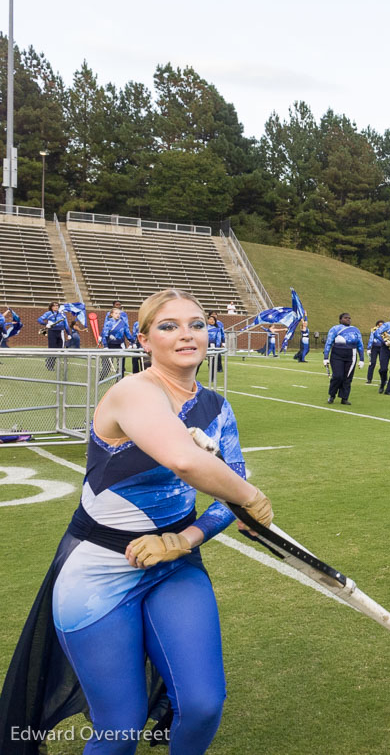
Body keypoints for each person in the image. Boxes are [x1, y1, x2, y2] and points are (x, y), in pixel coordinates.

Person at [0, 288, 274, 755]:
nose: (186, 334)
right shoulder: (132, 393)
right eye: (169, 326)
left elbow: (228, 488)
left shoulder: (218, 408)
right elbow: (188, 462)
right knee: (119, 727)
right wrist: (252, 499)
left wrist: (183, 539)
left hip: (175, 566)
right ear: (144, 340)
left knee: (204, 704)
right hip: (101, 568)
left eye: (196, 324)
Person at [324, 313, 364, 405]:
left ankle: (344, 397)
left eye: (349, 318)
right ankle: (332, 395)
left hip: (351, 355)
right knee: (338, 376)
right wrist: (325, 357)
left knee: (347, 377)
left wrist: (362, 359)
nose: (348, 319)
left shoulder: (356, 330)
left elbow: (360, 344)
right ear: (340, 319)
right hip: (337, 354)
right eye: (346, 318)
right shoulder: (335, 329)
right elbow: (329, 342)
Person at [38, 302, 70, 368]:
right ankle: (50, 365)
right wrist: (46, 324)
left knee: (60, 348)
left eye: (57, 305)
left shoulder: (62, 314)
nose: (56, 307)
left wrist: (68, 334)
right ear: (51, 307)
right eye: (54, 306)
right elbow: (39, 319)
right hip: (52, 332)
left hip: (60, 332)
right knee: (52, 348)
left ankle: (49, 360)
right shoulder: (48, 313)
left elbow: (66, 324)